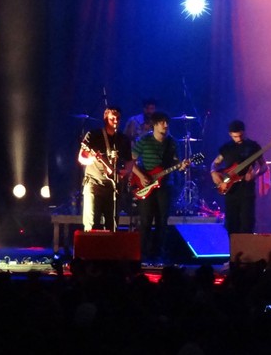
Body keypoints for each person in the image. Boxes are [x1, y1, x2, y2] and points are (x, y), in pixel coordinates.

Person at [131, 112, 189, 262]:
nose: (166, 125)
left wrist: (182, 166)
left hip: (165, 185)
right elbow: (130, 162)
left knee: (162, 220)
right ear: (155, 125)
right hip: (145, 184)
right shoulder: (144, 141)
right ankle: (143, 253)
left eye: (167, 122)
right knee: (146, 220)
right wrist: (141, 176)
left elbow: (177, 162)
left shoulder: (172, 143)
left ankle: (158, 253)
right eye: (162, 123)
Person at [78, 107, 133, 232]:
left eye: (118, 118)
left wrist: (126, 172)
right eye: (112, 118)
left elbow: (129, 161)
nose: (115, 121)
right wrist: (92, 159)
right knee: (92, 223)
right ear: (106, 118)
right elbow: (81, 158)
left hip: (114, 187)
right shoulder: (93, 135)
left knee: (112, 224)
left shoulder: (123, 139)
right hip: (94, 183)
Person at [210, 120, 268, 235]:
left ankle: (247, 251)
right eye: (235, 136)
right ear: (230, 135)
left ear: (244, 132)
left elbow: (264, 166)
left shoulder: (253, 146)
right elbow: (215, 163)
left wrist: (254, 175)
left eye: (241, 135)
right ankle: (234, 251)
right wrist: (213, 172)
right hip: (230, 191)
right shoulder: (226, 148)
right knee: (231, 224)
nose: (239, 139)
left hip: (247, 191)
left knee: (247, 224)